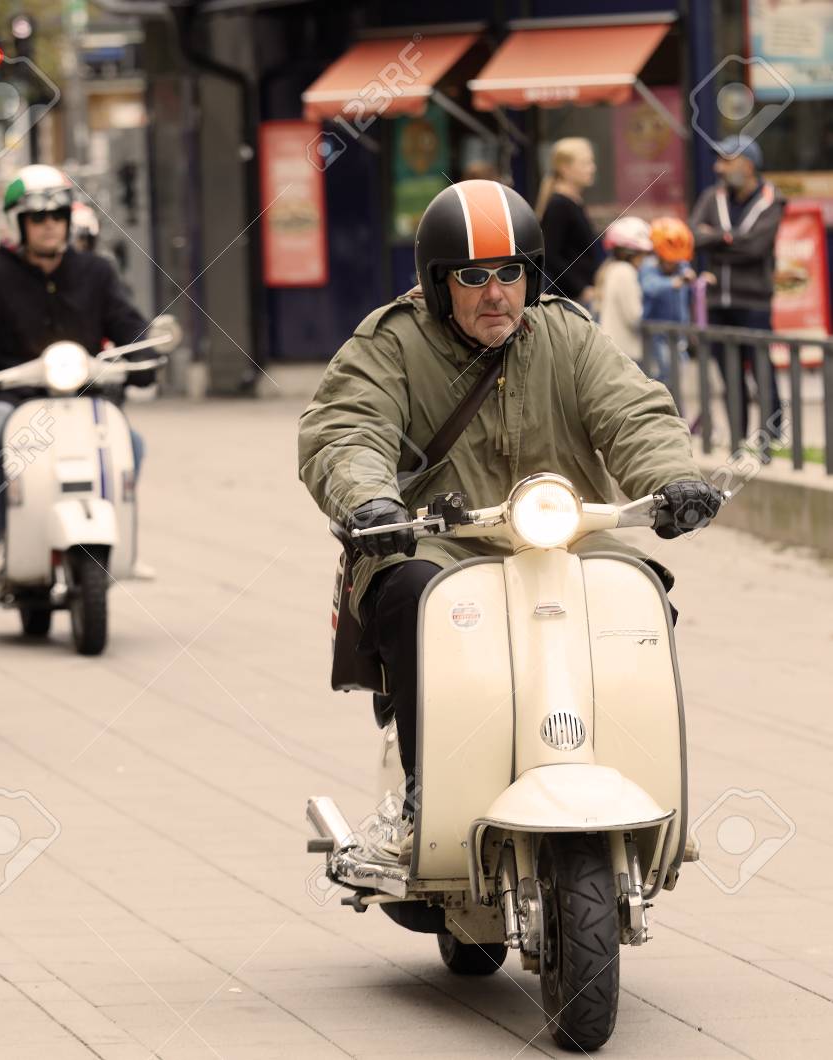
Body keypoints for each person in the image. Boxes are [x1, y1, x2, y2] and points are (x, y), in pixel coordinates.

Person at [298, 179, 721, 844]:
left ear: (532, 275)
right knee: (410, 594)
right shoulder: (391, 345)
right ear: (439, 284)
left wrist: (672, 478)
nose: (495, 293)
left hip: (566, 536)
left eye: (511, 273)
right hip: (439, 542)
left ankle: (643, 779)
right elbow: (346, 427)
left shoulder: (569, 338)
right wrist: (368, 497)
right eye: (472, 276)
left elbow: (632, 409)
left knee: (642, 595)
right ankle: (421, 802)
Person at [0, 164, 161, 555]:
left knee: (132, 443)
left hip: (85, 396)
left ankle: (113, 537)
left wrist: (145, 353)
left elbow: (129, 323)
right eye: (37, 217)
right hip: (15, 397)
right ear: (16, 222)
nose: (49, 225)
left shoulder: (97, 272)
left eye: (58, 215)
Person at [688, 136, 785, 450]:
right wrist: (732, 238)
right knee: (730, 377)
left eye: (726, 161)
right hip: (718, 302)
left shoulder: (772, 199)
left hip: (753, 301)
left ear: (748, 165)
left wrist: (715, 240)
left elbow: (757, 248)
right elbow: (693, 236)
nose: (718, 167)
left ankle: (770, 442)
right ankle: (739, 441)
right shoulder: (710, 196)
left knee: (761, 372)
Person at [536, 137, 602, 308]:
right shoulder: (559, 205)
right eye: (585, 163)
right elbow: (550, 255)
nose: (592, 169)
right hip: (570, 300)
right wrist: (580, 288)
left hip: (580, 296)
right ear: (565, 168)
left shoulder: (573, 202)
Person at [640, 217, 697, 387]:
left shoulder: (681, 265)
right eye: (669, 261)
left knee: (678, 378)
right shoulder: (649, 267)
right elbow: (649, 286)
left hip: (678, 333)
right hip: (656, 335)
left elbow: (689, 282)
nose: (673, 265)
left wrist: (696, 280)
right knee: (663, 378)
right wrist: (672, 283)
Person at [594, 216, 652, 366]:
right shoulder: (626, 272)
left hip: (614, 350)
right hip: (627, 353)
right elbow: (634, 316)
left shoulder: (611, 269)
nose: (644, 258)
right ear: (632, 252)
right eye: (643, 253)